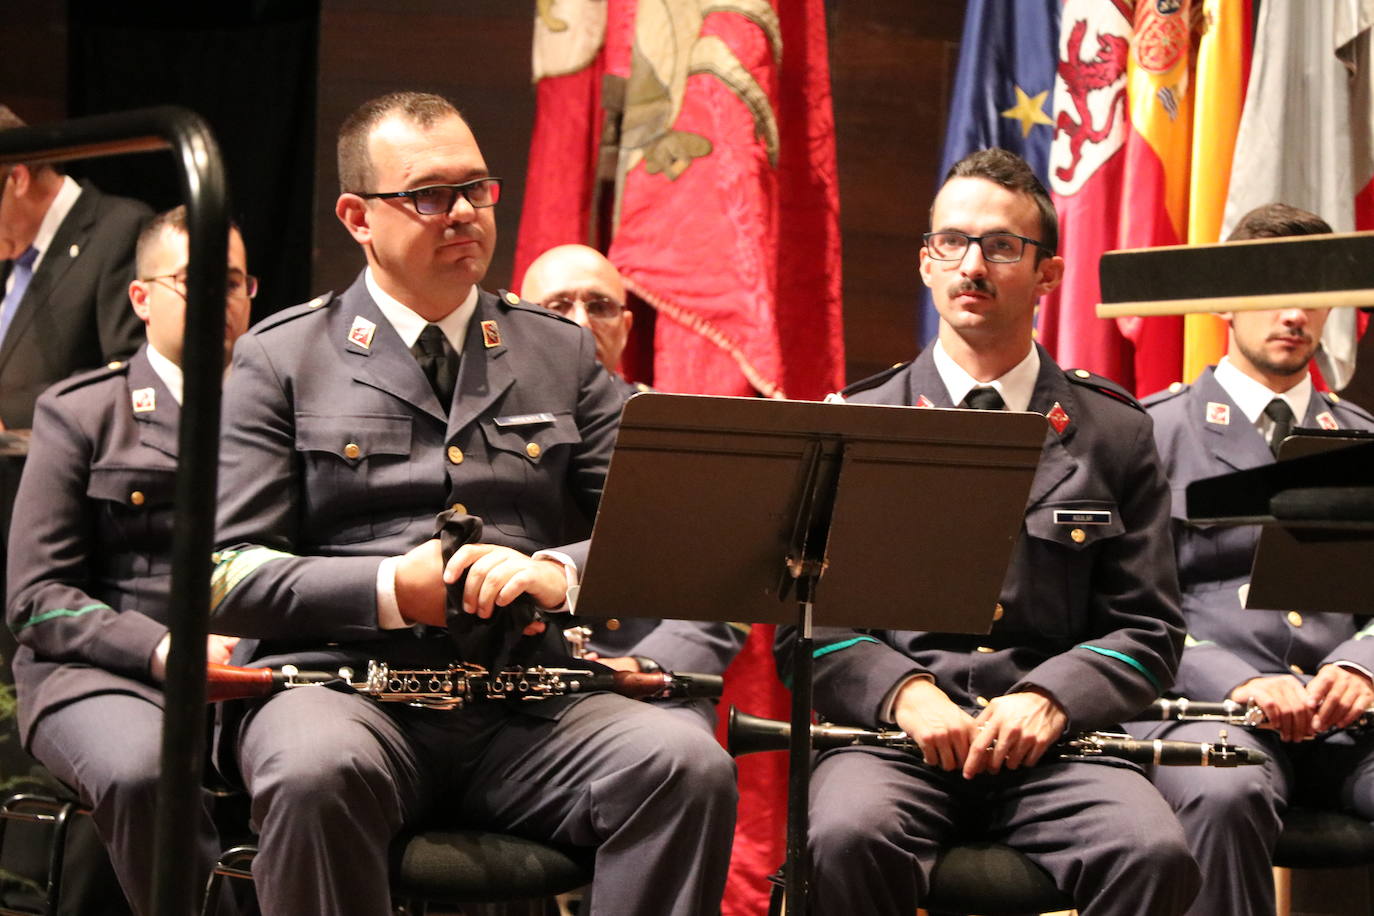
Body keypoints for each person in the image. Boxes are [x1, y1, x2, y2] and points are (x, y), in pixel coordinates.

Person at [208, 92, 736, 916]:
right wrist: (390, 591)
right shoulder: (283, 356)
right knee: (314, 771)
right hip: (345, 693)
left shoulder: (554, 351)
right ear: (358, 216)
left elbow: (662, 540)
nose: (461, 213)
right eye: (428, 195)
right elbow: (224, 576)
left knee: (684, 764)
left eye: (476, 190)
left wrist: (557, 574)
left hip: (523, 703)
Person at [784, 147, 1199, 915]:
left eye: (1003, 246)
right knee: (845, 835)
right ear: (925, 262)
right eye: (953, 242)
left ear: (1048, 274)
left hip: (1056, 746)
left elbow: (1147, 632)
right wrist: (903, 693)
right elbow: (804, 627)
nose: (972, 265)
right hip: (895, 742)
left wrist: (1051, 697)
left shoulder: (1113, 432)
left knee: (1155, 854)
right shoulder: (853, 424)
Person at [5, 205, 253, 914]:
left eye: (233, 282)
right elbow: (37, 597)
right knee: (152, 771)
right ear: (141, 298)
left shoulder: (283, 415)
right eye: (194, 279)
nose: (220, 299)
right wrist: (163, 648)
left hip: (250, 667)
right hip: (103, 675)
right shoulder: (82, 413)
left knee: (346, 762)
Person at [1128, 203, 1374, 916]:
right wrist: (1240, 681)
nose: (1293, 313)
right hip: (1204, 708)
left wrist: (1360, 665)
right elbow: (1127, 607)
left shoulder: (1359, 441)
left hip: (1346, 722)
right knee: (1223, 787)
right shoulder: (1151, 433)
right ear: (1226, 301)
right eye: (1272, 289)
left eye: (1312, 293)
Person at [521, 243, 747, 729]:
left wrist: (644, 665)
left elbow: (725, 588)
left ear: (625, 327)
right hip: (516, 680)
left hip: (651, 684)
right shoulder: (483, 431)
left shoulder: (683, 434)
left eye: (599, 306)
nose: (581, 324)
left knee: (687, 759)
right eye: (557, 307)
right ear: (519, 325)